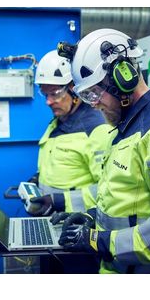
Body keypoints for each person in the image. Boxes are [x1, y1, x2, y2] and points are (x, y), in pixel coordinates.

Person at [53, 29, 150, 274]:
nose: (93, 104)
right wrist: (92, 217)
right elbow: (128, 204)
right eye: (87, 96)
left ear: (123, 78)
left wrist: (99, 241)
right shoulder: (128, 126)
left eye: (94, 93)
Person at [27, 49, 113, 217]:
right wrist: (38, 179)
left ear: (75, 90)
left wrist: (60, 201)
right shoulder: (58, 122)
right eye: (45, 94)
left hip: (76, 222)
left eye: (54, 93)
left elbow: (109, 188)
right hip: (52, 218)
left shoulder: (97, 129)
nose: (48, 102)